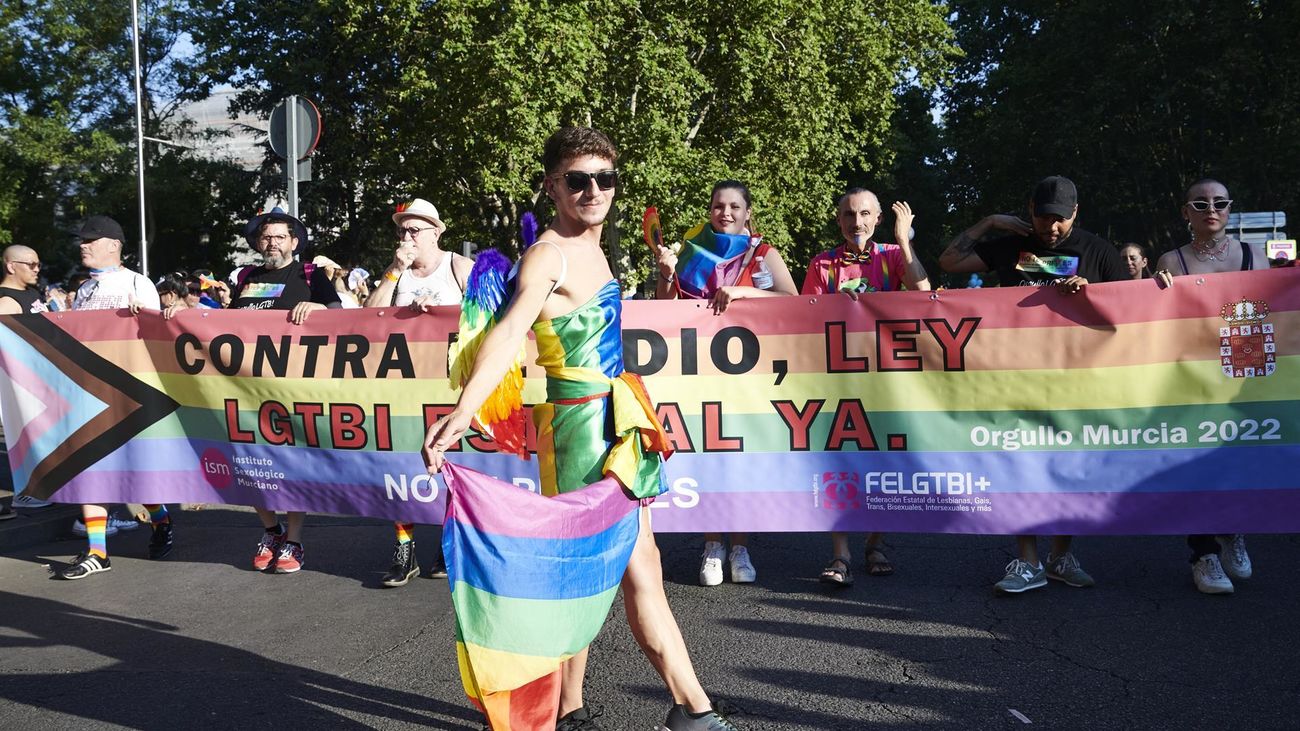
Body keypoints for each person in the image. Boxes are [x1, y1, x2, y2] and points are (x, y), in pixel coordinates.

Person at [423, 128, 736, 731]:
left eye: (605, 179)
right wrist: (463, 412)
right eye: (577, 179)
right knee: (614, 569)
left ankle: (581, 711)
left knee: (605, 570)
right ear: (552, 186)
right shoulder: (549, 254)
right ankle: (689, 710)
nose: (593, 190)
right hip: (579, 431)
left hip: (618, 423)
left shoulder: (596, 248)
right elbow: (510, 332)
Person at [939, 175, 1127, 594]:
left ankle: (1061, 557)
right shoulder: (1014, 244)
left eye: (1059, 220)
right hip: (1017, 376)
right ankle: (1027, 560)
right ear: (1029, 211)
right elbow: (950, 263)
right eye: (1043, 219)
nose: (1051, 228)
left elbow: (1131, 308)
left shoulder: (1099, 251)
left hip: (1076, 381)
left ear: (1075, 214)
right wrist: (988, 223)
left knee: (1067, 470)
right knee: (1021, 466)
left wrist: (1094, 294)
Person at [654, 181, 797, 586]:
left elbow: (791, 298)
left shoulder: (763, 254)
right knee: (709, 454)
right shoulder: (692, 251)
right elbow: (666, 308)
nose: (726, 213)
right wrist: (666, 276)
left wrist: (742, 291)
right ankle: (712, 545)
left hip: (750, 373)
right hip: (699, 368)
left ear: (748, 212)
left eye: (735, 206)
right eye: (719, 206)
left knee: (740, 455)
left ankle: (740, 546)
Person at [801, 188, 928, 586]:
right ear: (839, 220)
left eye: (865, 214)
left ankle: (875, 543)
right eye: (849, 215)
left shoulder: (891, 255)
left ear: (876, 220)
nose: (857, 222)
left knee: (881, 462)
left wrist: (905, 240)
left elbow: (924, 295)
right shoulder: (823, 263)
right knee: (837, 462)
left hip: (886, 380)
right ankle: (840, 555)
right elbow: (803, 318)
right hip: (837, 377)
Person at [1154, 178, 1266, 595]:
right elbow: (1157, 326)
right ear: (1186, 213)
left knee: (1238, 463)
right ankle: (1203, 555)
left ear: (1230, 208)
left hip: (1245, 383)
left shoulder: (1256, 256)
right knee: (1195, 466)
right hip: (1194, 383)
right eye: (1200, 204)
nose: (1210, 209)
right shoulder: (1171, 260)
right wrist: (1157, 291)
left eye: (1219, 202)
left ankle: (1232, 530)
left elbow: (1275, 318)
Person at [218, 207, 341, 573]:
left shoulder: (310, 274)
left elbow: (341, 315)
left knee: (289, 462)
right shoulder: (246, 277)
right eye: (265, 237)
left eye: (278, 236)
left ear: (294, 242)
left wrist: (317, 306)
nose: (271, 242)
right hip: (245, 388)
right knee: (250, 462)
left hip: (290, 388)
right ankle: (270, 530)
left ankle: (294, 539)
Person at [57, 215, 171, 579]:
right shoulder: (85, 290)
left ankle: (161, 520)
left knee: (134, 474)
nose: (83, 245)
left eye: (91, 239)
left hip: (130, 393)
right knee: (90, 468)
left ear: (114, 245)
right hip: (88, 393)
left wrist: (147, 318)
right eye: (81, 240)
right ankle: (96, 551)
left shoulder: (137, 282)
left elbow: (159, 336)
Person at [364, 199, 467, 586]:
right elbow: (366, 317)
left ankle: (447, 541)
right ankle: (404, 547)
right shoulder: (398, 275)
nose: (407, 237)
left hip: (450, 383)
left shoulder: (457, 267)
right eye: (403, 231)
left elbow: (492, 313)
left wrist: (441, 311)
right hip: (403, 387)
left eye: (415, 230)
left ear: (436, 233)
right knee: (402, 464)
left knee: (450, 462)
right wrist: (394, 271)